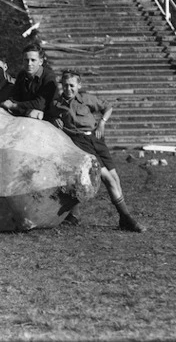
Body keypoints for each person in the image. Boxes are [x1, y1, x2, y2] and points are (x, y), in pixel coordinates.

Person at [46, 70, 145, 232]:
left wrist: (102, 123)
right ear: (61, 86)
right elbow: (50, 118)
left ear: (79, 85)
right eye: (65, 85)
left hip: (96, 140)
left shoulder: (86, 99)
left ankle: (121, 217)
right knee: (107, 178)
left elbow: (108, 107)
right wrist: (54, 122)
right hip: (80, 143)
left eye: (72, 85)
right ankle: (127, 218)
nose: (68, 89)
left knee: (115, 177)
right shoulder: (57, 104)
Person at [1, 43, 57, 119]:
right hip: (25, 114)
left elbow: (40, 104)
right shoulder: (22, 74)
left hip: (45, 118)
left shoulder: (48, 77)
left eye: (33, 60)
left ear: (41, 61)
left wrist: (15, 105)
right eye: (26, 60)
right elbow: (13, 97)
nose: (29, 64)